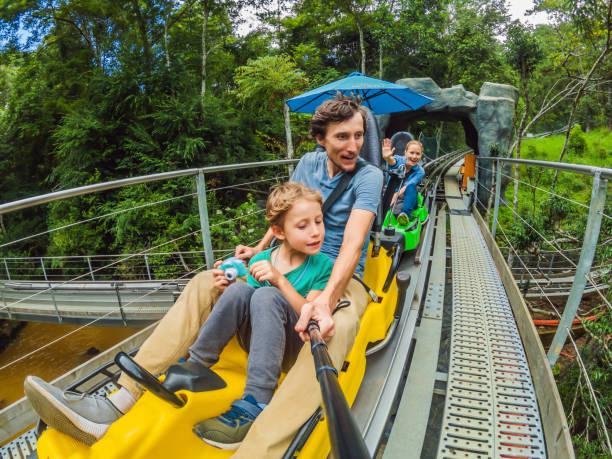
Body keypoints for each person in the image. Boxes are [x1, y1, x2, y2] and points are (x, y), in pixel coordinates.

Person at [24, 94, 384, 457]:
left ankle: (262, 446)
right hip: (287, 262)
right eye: (342, 137)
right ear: (321, 139)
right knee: (204, 281)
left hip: (337, 275)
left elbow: (353, 244)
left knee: (332, 329)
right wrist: (260, 252)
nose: (353, 146)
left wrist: (325, 300)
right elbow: (286, 213)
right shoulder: (308, 164)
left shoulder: (369, 176)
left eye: (358, 136)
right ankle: (121, 399)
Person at [188, 182, 333, 449]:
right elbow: (246, 304)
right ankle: (197, 365)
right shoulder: (260, 260)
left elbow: (309, 314)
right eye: (303, 226)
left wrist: (280, 281)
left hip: (291, 345)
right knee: (240, 291)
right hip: (258, 340)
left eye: (318, 222)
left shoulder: (323, 266)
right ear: (279, 232)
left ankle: (257, 402)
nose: (315, 232)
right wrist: (227, 284)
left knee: (267, 295)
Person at [381, 138, 425, 226]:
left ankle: (405, 215)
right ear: (405, 152)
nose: (414, 157)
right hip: (390, 191)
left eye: (417, 154)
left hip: (406, 196)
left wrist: (394, 197)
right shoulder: (399, 160)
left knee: (411, 187)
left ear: (421, 155)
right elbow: (393, 162)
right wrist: (388, 158)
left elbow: (408, 185)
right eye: (411, 153)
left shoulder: (420, 171)